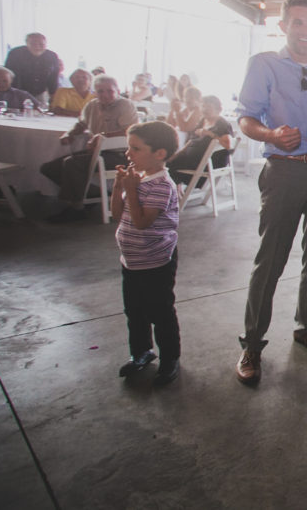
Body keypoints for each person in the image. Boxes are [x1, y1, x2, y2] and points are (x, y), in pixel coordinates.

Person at [233, 0, 307, 386]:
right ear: (283, 25)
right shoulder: (264, 64)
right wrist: (270, 134)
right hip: (284, 171)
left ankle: (306, 327)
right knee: (271, 260)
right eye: (298, 22)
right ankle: (252, 344)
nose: (306, 30)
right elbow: (246, 118)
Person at [111, 121, 181, 386]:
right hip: (131, 261)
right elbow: (117, 215)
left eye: (136, 148)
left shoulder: (162, 185)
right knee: (134, 311)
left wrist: (130, 189)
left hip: (155, 262)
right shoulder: (136, 179)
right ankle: (141, 352)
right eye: (128, 147)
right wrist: (119, 187)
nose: (128, 153)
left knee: (160, 313)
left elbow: (141, 222)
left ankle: (170, 359)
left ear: (159, 153)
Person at [41, 75, 138, 222]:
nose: (105, 95)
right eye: (100, 91)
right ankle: (93, 194)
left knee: (72, 164)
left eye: (110, 91)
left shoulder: (125, 105)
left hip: (120, 154)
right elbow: (81, 124)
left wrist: (102, 136)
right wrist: (70, 134)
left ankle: (76, 209)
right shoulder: (92, 105)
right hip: (97, 152)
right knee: (49, 168)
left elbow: (130, 130)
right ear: (94, 92)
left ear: (118, 91)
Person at [167, 95, 233, 186]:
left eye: (208, 107)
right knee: (167, 161)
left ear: (218, 109)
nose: (204, 110)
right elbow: (192, 140)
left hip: (206, 166)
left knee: (166, 167)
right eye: (203, 106)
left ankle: (169, 190)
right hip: (195, 161)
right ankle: (174, 188)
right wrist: (178, 154)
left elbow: (228, 145)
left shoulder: (222, 124)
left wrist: (210, 134)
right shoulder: (203, 120)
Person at [4, 32, 61, 103]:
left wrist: (53, 98)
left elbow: (53, 79)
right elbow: (7, 75)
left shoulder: (52, 56)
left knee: (41, 109)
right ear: (27, 43)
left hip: (39, 94)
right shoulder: (15, 53)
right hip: (17, 93)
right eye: (33, 44)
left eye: (41, 44)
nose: (37, 47)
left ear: (46, 44)